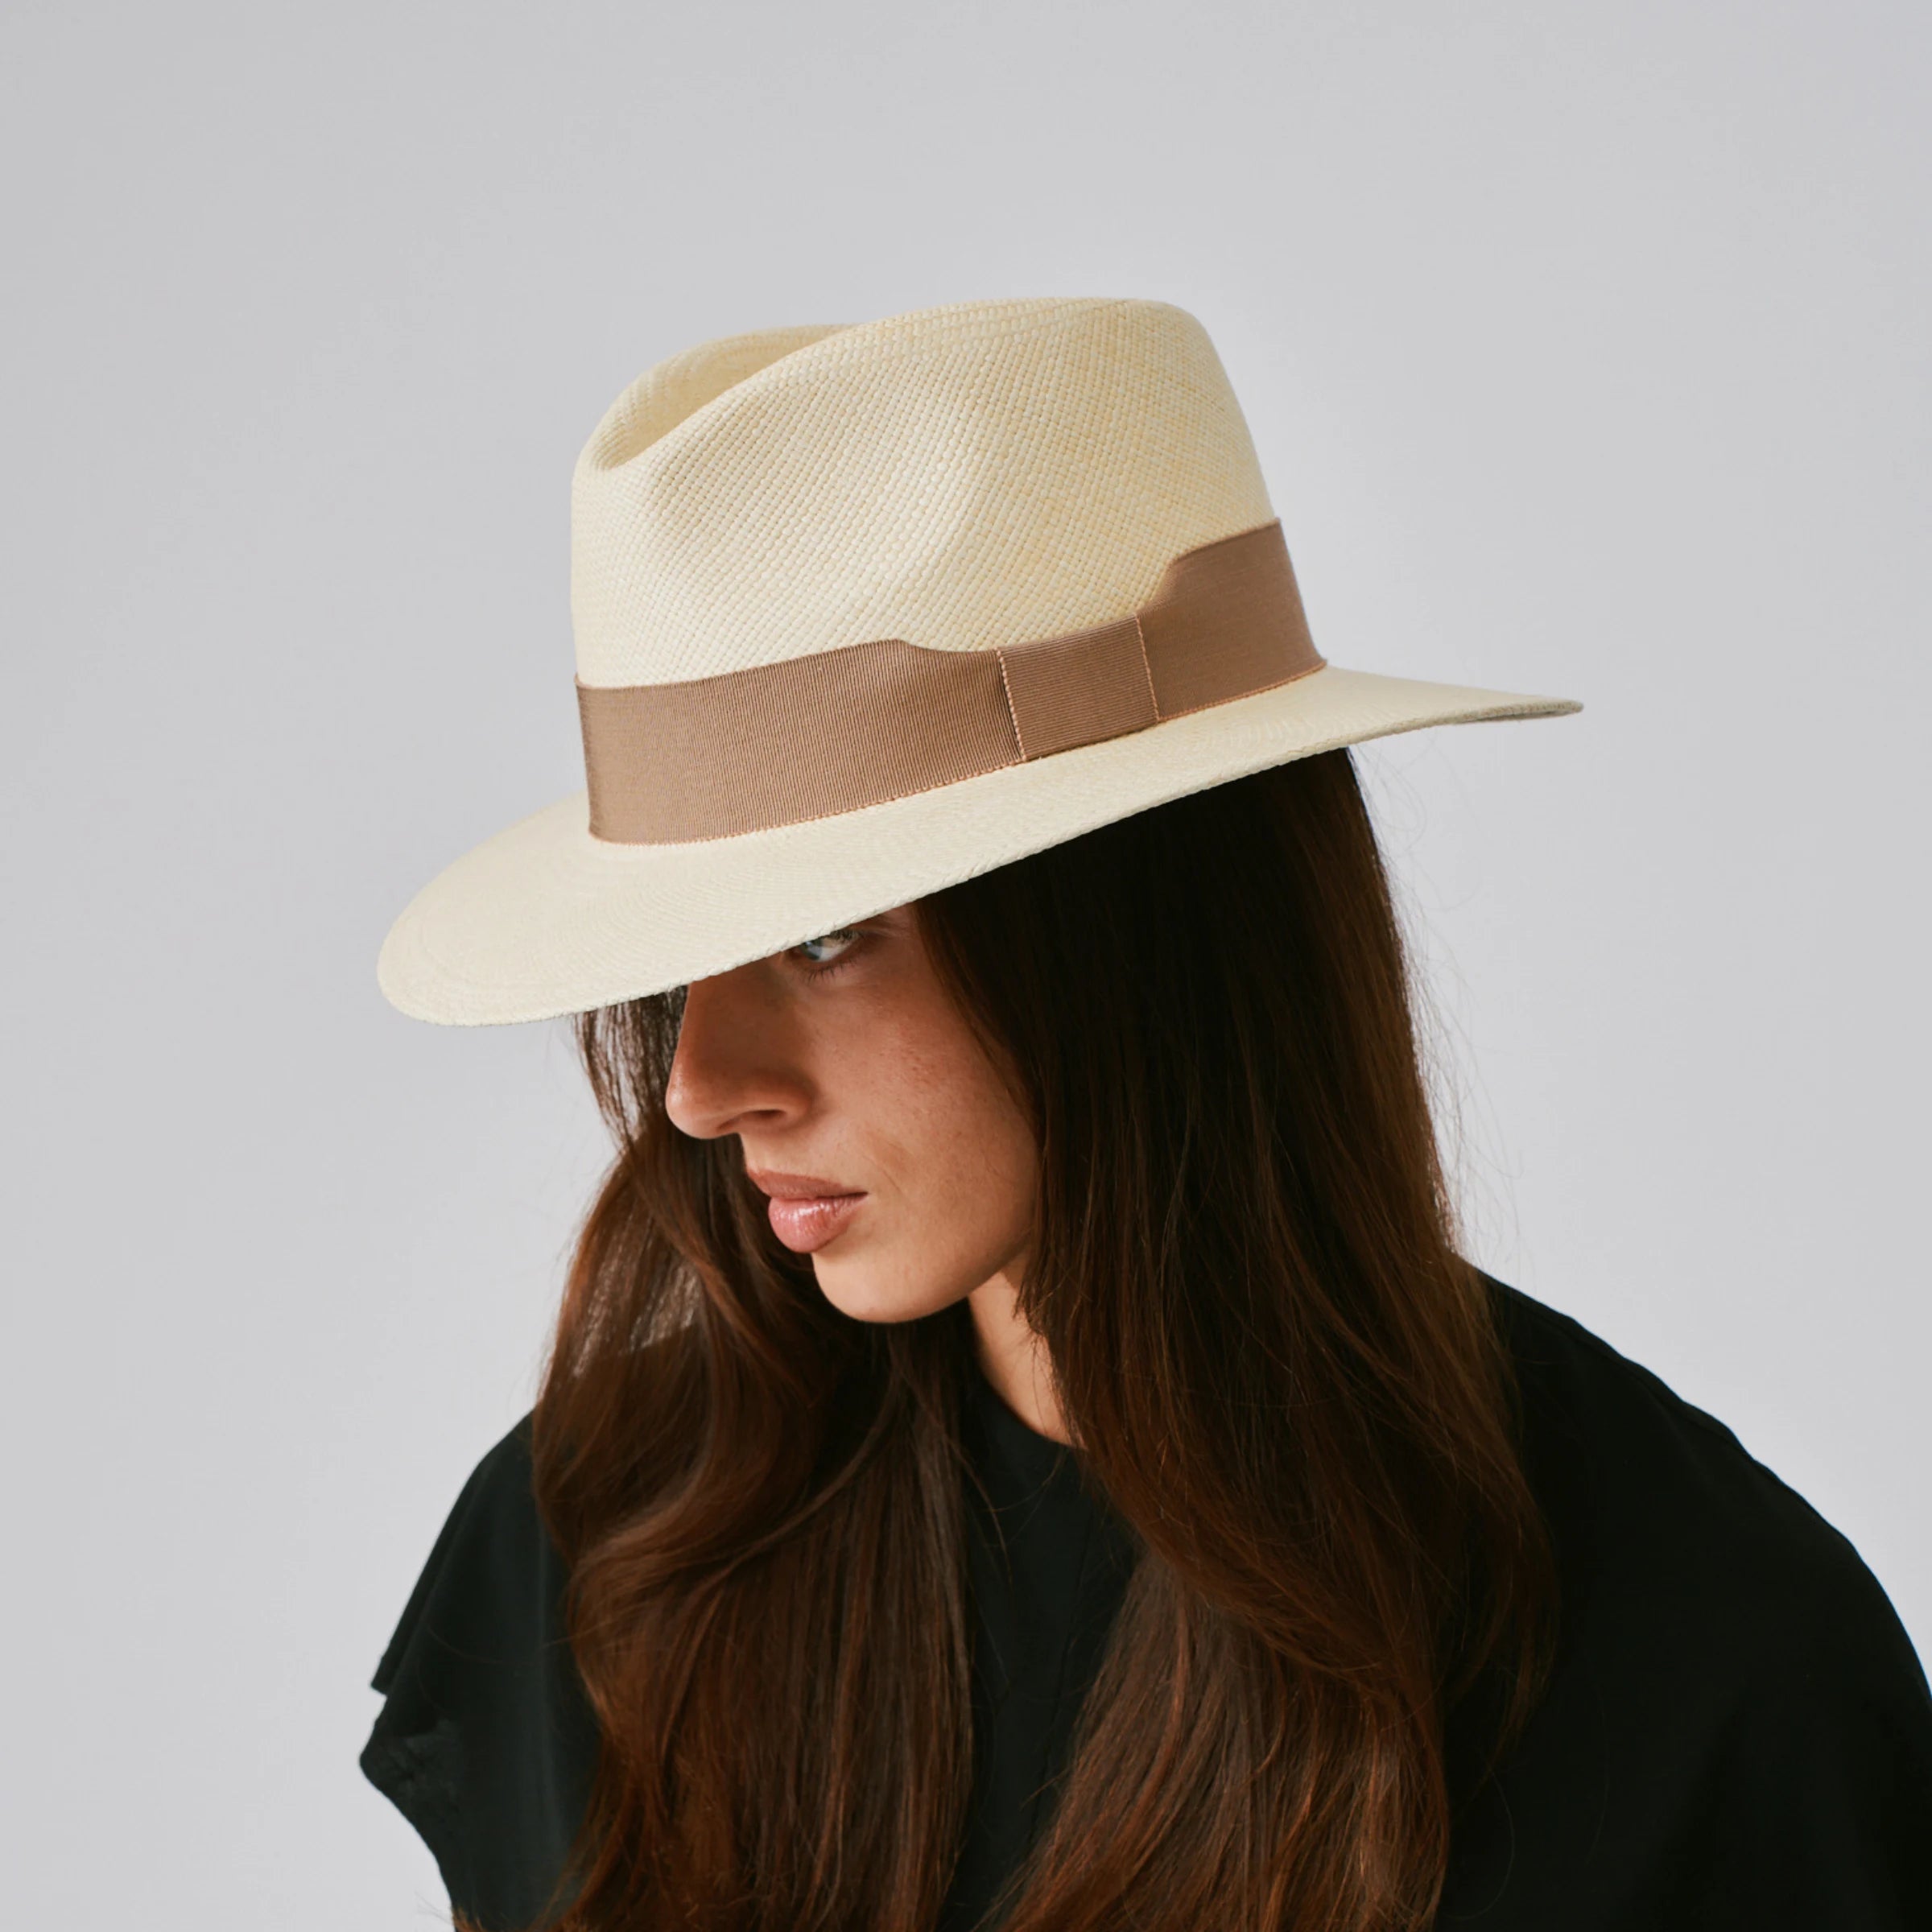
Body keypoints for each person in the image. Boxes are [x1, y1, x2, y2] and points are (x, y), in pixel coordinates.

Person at [362, 298, 1932, 1932]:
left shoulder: (1703, 1672)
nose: (697, 1086)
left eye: (830, 936)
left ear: (1142, 927)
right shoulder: (609, 1553)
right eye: (684, 961)